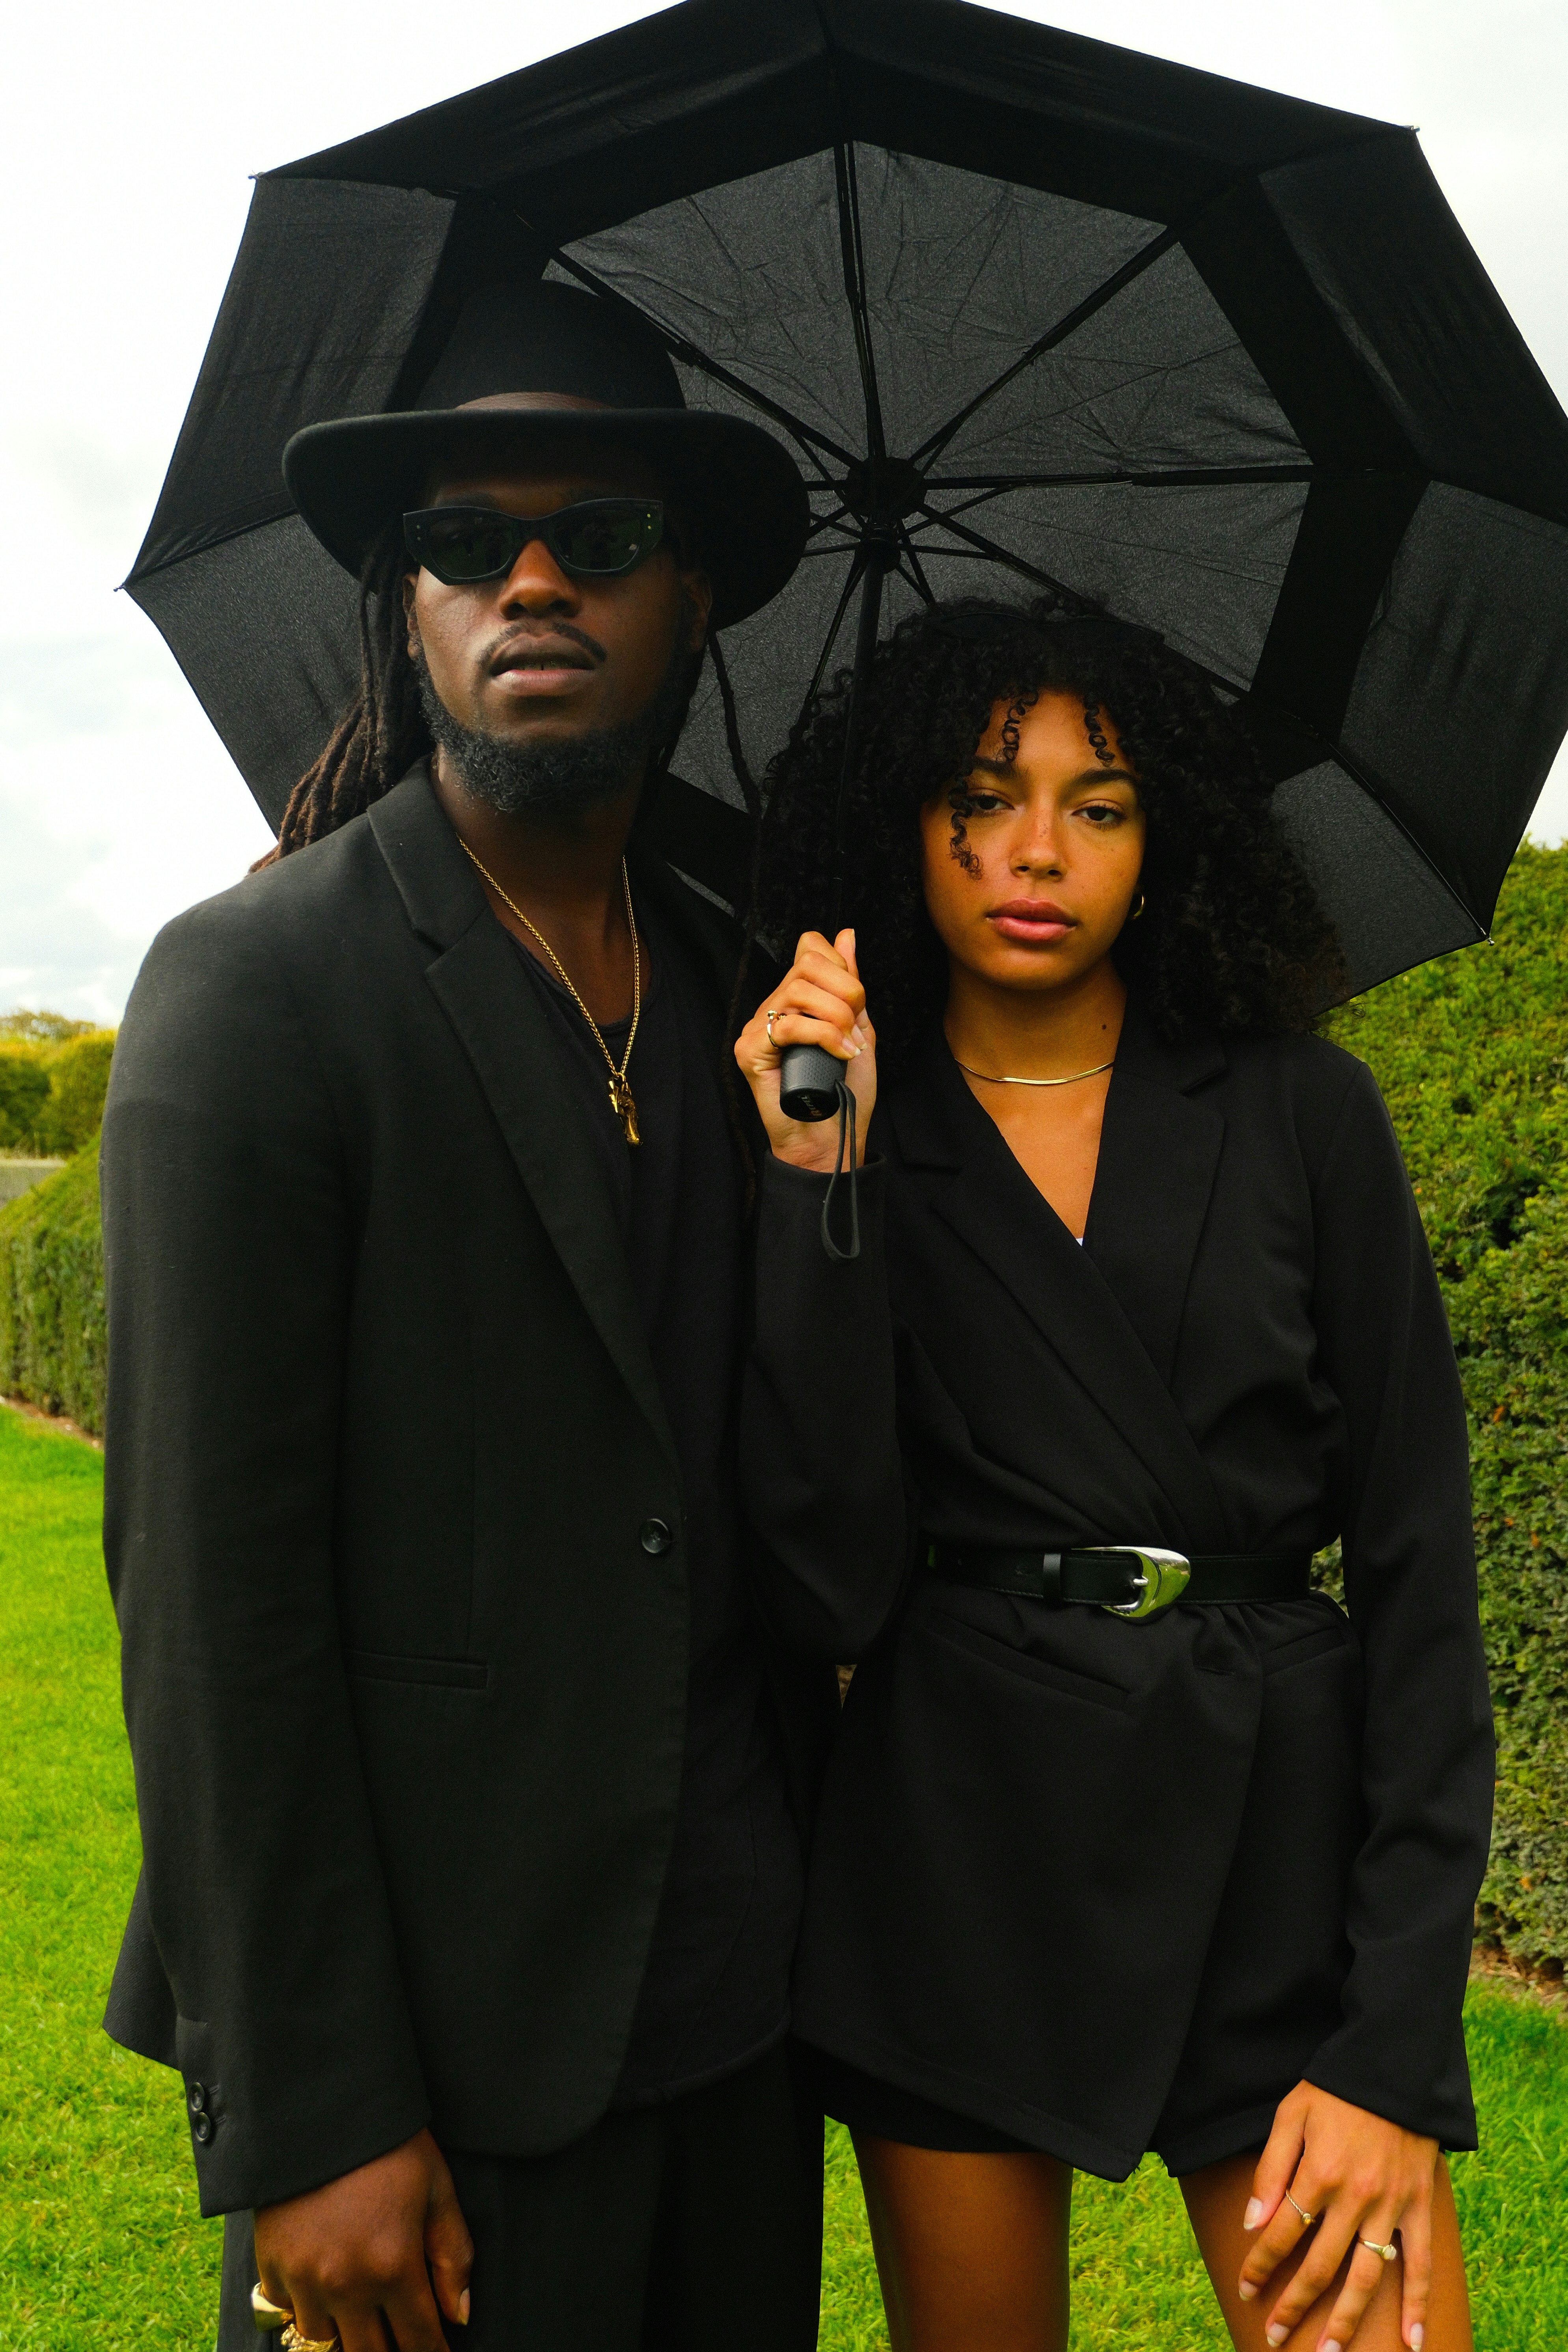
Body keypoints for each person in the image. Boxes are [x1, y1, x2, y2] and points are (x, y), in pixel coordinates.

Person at [99, 280, 832, 2352]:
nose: (527, 578)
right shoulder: (255, 994)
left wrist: (828, 1199)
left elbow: (806, 1536)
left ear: (690, 596)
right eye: (460, 541)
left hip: (727, 2044)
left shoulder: (742, 999)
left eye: (596, 537)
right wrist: (314, 2116)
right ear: (400, 609)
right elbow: (208, 1604)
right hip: (425, 2094)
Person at [734, 598, 1492, 2352]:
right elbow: (829, 1583)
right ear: (892, 826)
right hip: (955, 1859)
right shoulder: (848, 1124)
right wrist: (811, 1186)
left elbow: (1419, 1577)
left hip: (1273, 1856)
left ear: (1167, 843)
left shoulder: (1304, 1109)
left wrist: (1389, 2040)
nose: (1031, 851)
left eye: (1099, 803)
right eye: (978, 794)